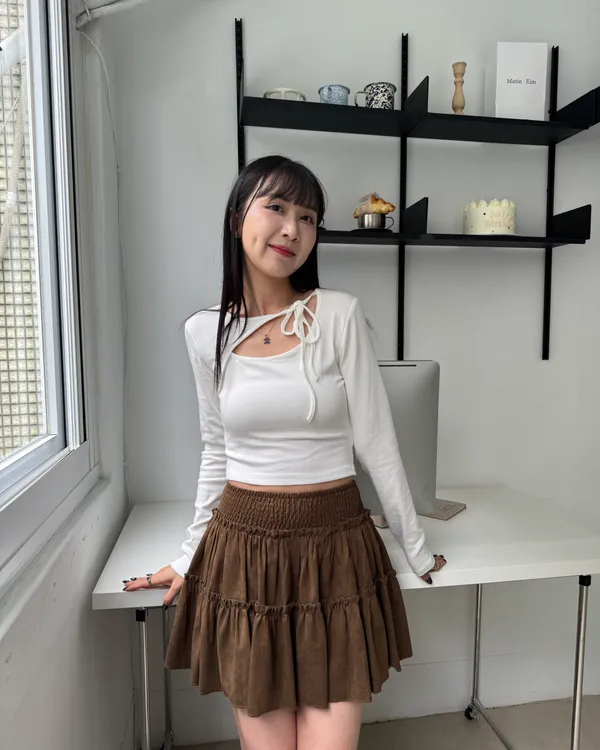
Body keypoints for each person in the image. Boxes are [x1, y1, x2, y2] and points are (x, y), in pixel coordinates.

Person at [123, 155, 446, 750]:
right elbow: (216, 451)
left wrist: (416, 547)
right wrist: (190, 556)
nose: (293, 229)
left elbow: (377, 442)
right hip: (244, 553)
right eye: (276, 207)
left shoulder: (339, 314)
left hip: (336, 548)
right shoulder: (203, 332)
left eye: (308, 217)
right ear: (236, 217)